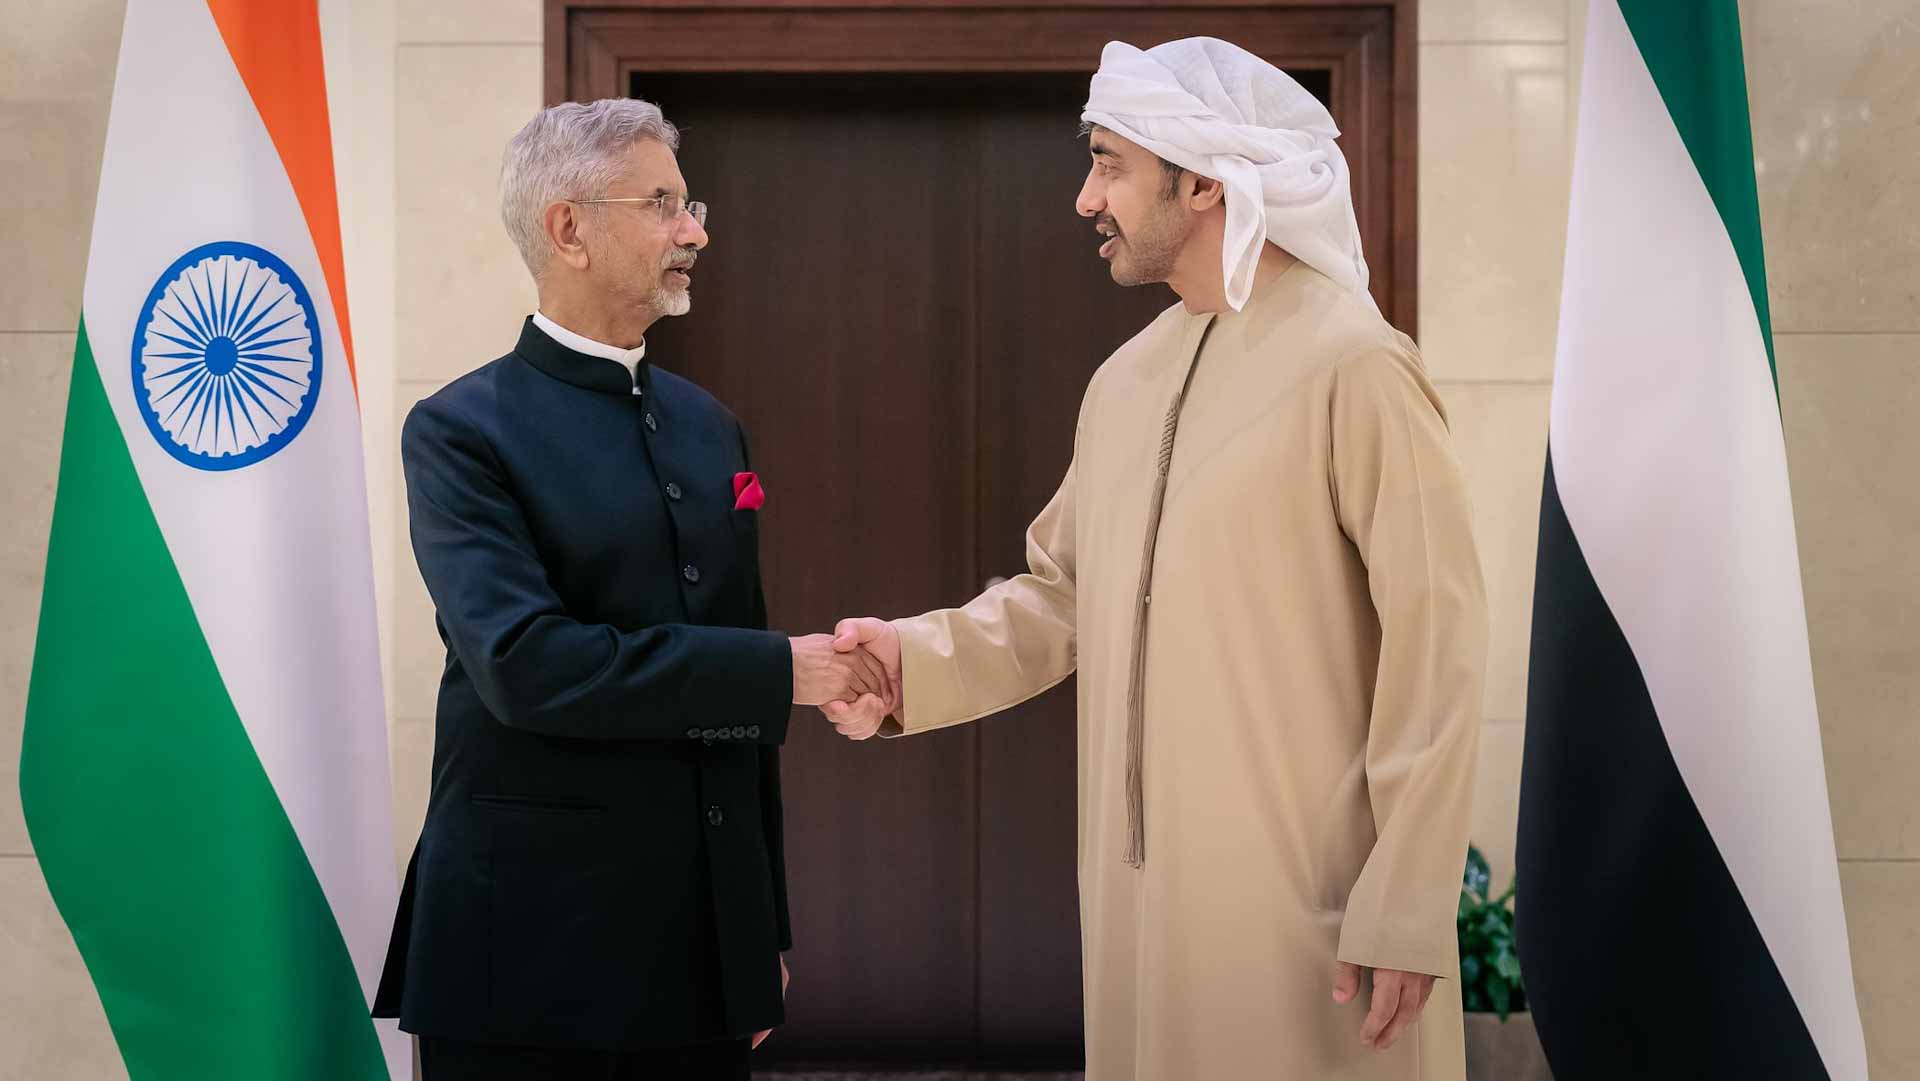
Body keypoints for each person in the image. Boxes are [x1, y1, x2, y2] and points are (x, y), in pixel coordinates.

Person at [827, 38, 1487, 1081]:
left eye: (1108, 163)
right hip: (1139, 909)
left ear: (1203, 180)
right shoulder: (1125, 382)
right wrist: (910, 661)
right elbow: (1066, 599)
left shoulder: (1354, 364)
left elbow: (1438, 645)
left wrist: (1405, 901)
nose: (1088, 198)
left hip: (1311, 920)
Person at [371, 97, 886, 1081]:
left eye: (693, 208)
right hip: (523, 953)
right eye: (662, 204)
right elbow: (527, 667)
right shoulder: (459, 431)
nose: (694, 231)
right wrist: (785, 669)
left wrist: (758, 922)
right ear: (568, 226)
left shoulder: (711, 429)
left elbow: (741, 702)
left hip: (700, 957)